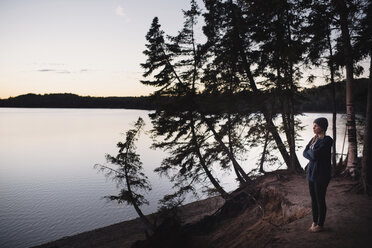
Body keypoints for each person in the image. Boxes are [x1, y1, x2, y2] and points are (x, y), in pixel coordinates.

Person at [303, 117, 333, 232]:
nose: (313, 127)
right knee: (313, 199)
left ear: (322, 127)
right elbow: (304, 152)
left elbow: (314, 155)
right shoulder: (313, 139)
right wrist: (312, 153)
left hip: (322, 173)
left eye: (315, 125)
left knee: (320, 199)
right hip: (311, 172)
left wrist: (311, 153)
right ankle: (314, 221)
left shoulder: (327, 140)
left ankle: (320, 225)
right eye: (313, 125)